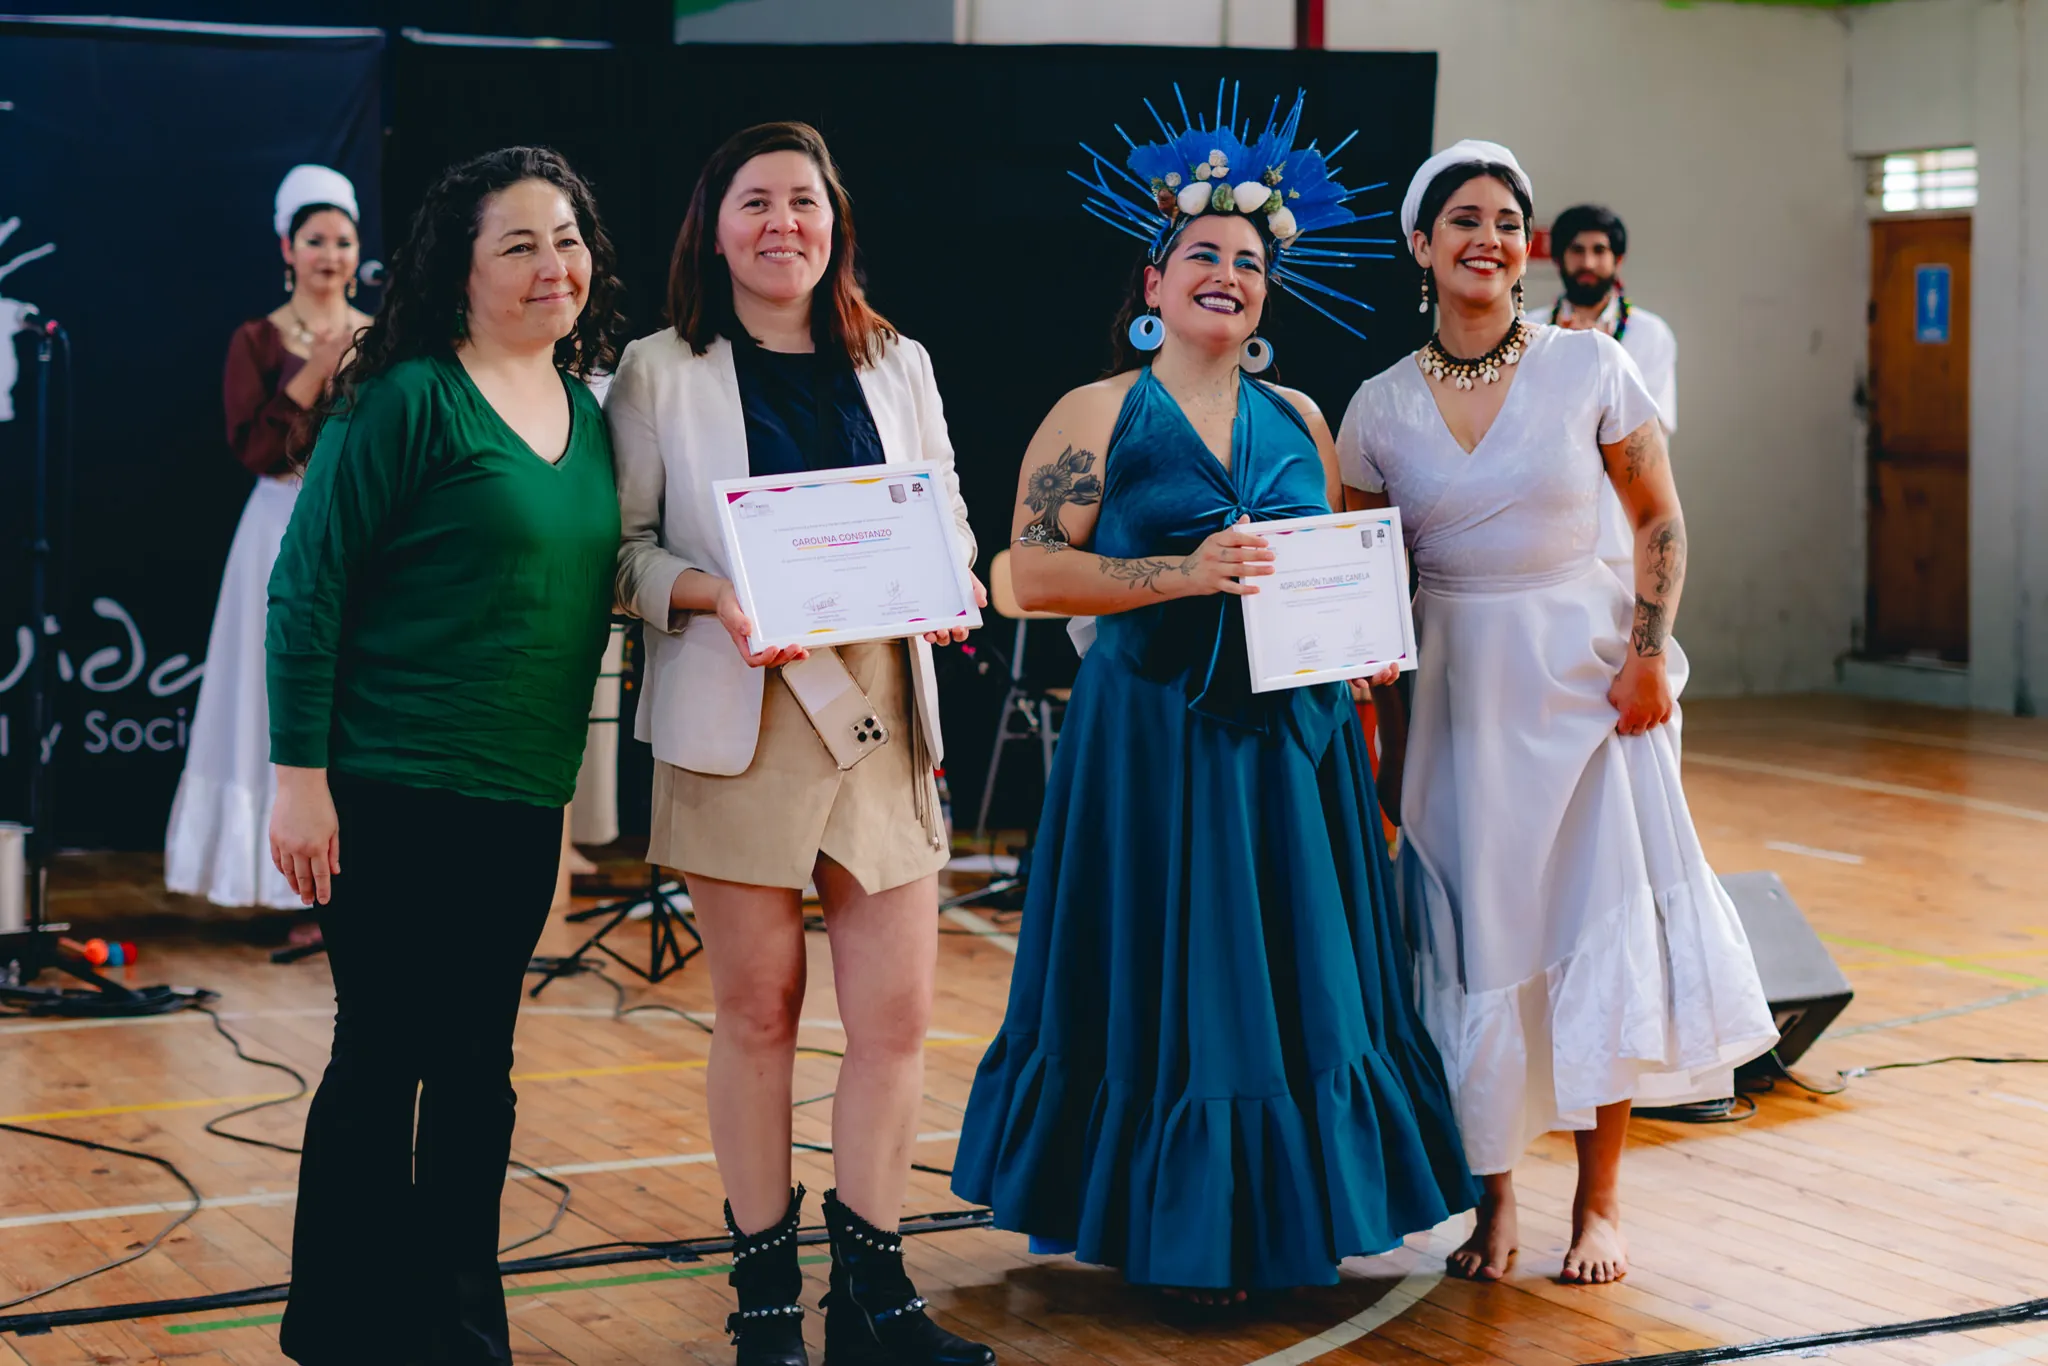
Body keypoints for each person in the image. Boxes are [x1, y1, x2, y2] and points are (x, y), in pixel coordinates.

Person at [952, 85, 1478, 1303]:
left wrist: (1361, 641)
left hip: (1291, 753)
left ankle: (1287, 1217)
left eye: (1246, 261)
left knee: (1291, 986)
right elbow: (1020, 574)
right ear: (1153, 282)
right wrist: (1179, 570)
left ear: (1265, 291)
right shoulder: (1095, 412)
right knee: (1165, 986)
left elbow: (1344, 570)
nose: (1226, 275)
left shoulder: (1299, 416)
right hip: (1149, 744)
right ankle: (1165, 1223)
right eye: (1202, 254)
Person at [1337, 140, 1776, 1288]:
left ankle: (1599, 1204)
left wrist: (1644, 656)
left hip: (1587, 694)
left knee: (1592, 940)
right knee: (1480, 952)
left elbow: (1658, 517)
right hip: (1457, 704)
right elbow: (1354, 577)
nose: (1488, 237)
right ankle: (1493, 1206)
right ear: (1420, 245)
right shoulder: (1377, 406)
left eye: (1505, 221)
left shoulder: (1589, 368)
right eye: (1463, 219)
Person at [608, 121, 992, 1366]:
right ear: (712, 226)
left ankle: (873, 1305)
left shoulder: (900, 361)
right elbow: (620, 556)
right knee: (758, 1014)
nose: (784, 224)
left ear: (835, 224)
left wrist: (959, 582)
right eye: (756, 201)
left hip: (881, 717)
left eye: (806, 203)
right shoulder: (657, 369)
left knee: (892, 1022)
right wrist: (713, 598)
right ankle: (765, 1307)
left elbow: (947, 520)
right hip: (739, 714)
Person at [265, 146, 624, 1365]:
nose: (550, 265)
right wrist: (299, 780)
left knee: (481, 1070)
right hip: (388, 786)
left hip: (520, 798)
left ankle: (459, 1329)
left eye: (565, 239)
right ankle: (344, 1329)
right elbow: (306, 587)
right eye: (516, 244)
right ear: (458, 269)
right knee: (384, 1058)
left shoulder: (592, 412)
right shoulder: (408, 395)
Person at [165, 165, 371, 914]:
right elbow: (255, 449)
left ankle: (351, 881)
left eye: (343, 241)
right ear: (288, 247)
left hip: (356, 530)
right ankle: (276, 882)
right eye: (315, 240)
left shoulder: (380, 339)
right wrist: (317, 367)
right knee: (274, 688)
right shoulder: (256, 339)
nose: (330, 255)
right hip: (276, 525)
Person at [1524, 204, 1678, 586]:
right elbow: (1521, 429)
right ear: (1558, 259)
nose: (1588, 261)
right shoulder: (1529, 330)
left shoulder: (1649, 334)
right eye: (1576, 251)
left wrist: (1593, 363)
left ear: (1618, 260)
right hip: (1542, 538)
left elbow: (1646, 436)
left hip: (1620, 539)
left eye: (1599, 250)